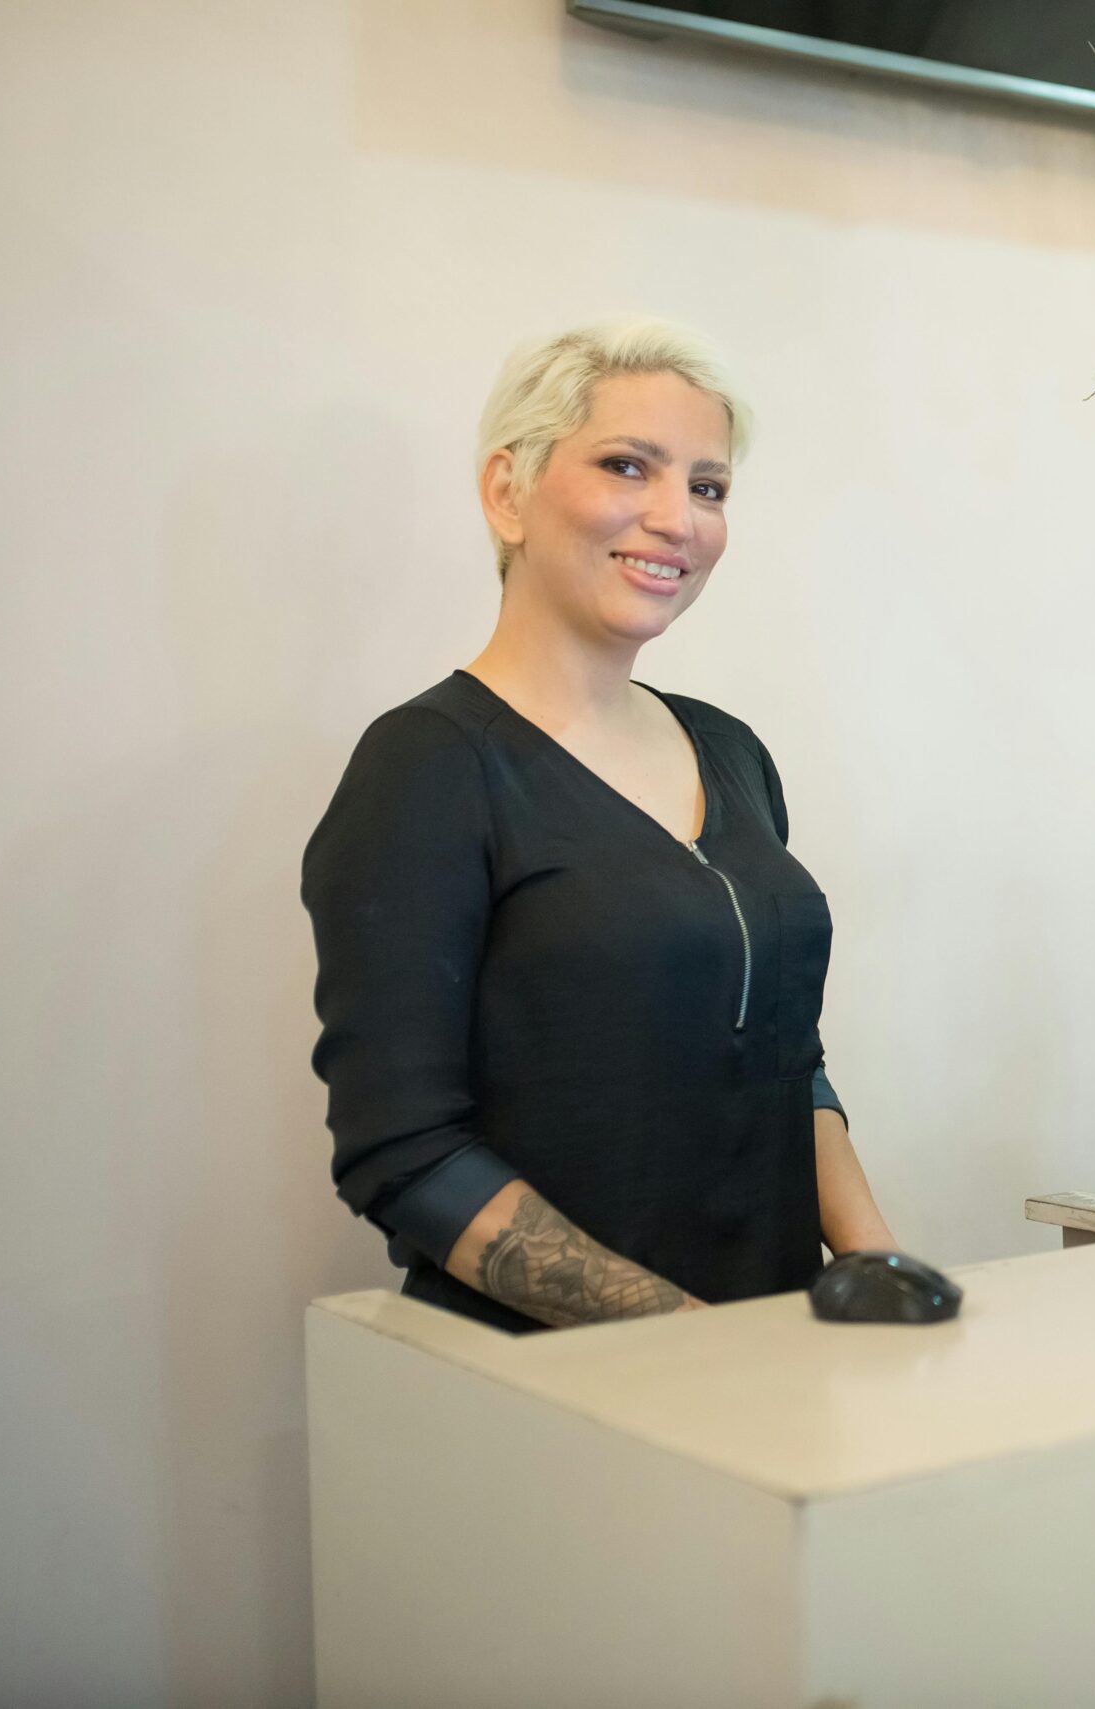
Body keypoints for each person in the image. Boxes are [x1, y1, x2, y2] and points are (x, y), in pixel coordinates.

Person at [300, 319, 893, 1332]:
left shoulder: (731, 753)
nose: (679, 518)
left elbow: (789, 1057)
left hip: (778, 1370)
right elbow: (404, 1152)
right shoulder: (428, 768)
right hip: (557, 1402)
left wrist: (882, 1266)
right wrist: (678, 1343)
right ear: (507, 492)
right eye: (629, 466)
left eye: (708, 487)